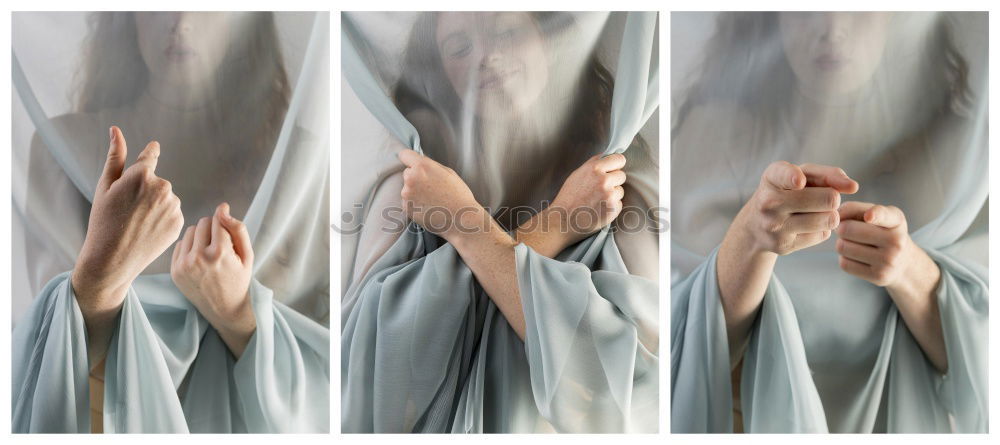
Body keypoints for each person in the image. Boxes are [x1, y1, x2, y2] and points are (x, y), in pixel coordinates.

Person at [341, 11, 659, 433]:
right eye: (459, 47)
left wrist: (464, 228)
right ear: (440, 73)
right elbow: (374, 377)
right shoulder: (412, 190)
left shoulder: (615, 189)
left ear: (551, 40)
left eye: (507, 32)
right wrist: (556, 225)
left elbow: (625, 391)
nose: (487, 57)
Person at [671, 11, 987, 433]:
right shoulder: (713, 137)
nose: (832, 30)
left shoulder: (962, 158)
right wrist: (750, 239)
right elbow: (683, 351)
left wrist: (907, 266)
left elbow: (982, 371)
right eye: (807, 6)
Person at [13, 11, 329, 433]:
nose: (180, 21)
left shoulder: (301, 165)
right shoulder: (61, 147)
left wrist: (235, 312)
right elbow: (45, 357)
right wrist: (107, 268)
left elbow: (330, 380)